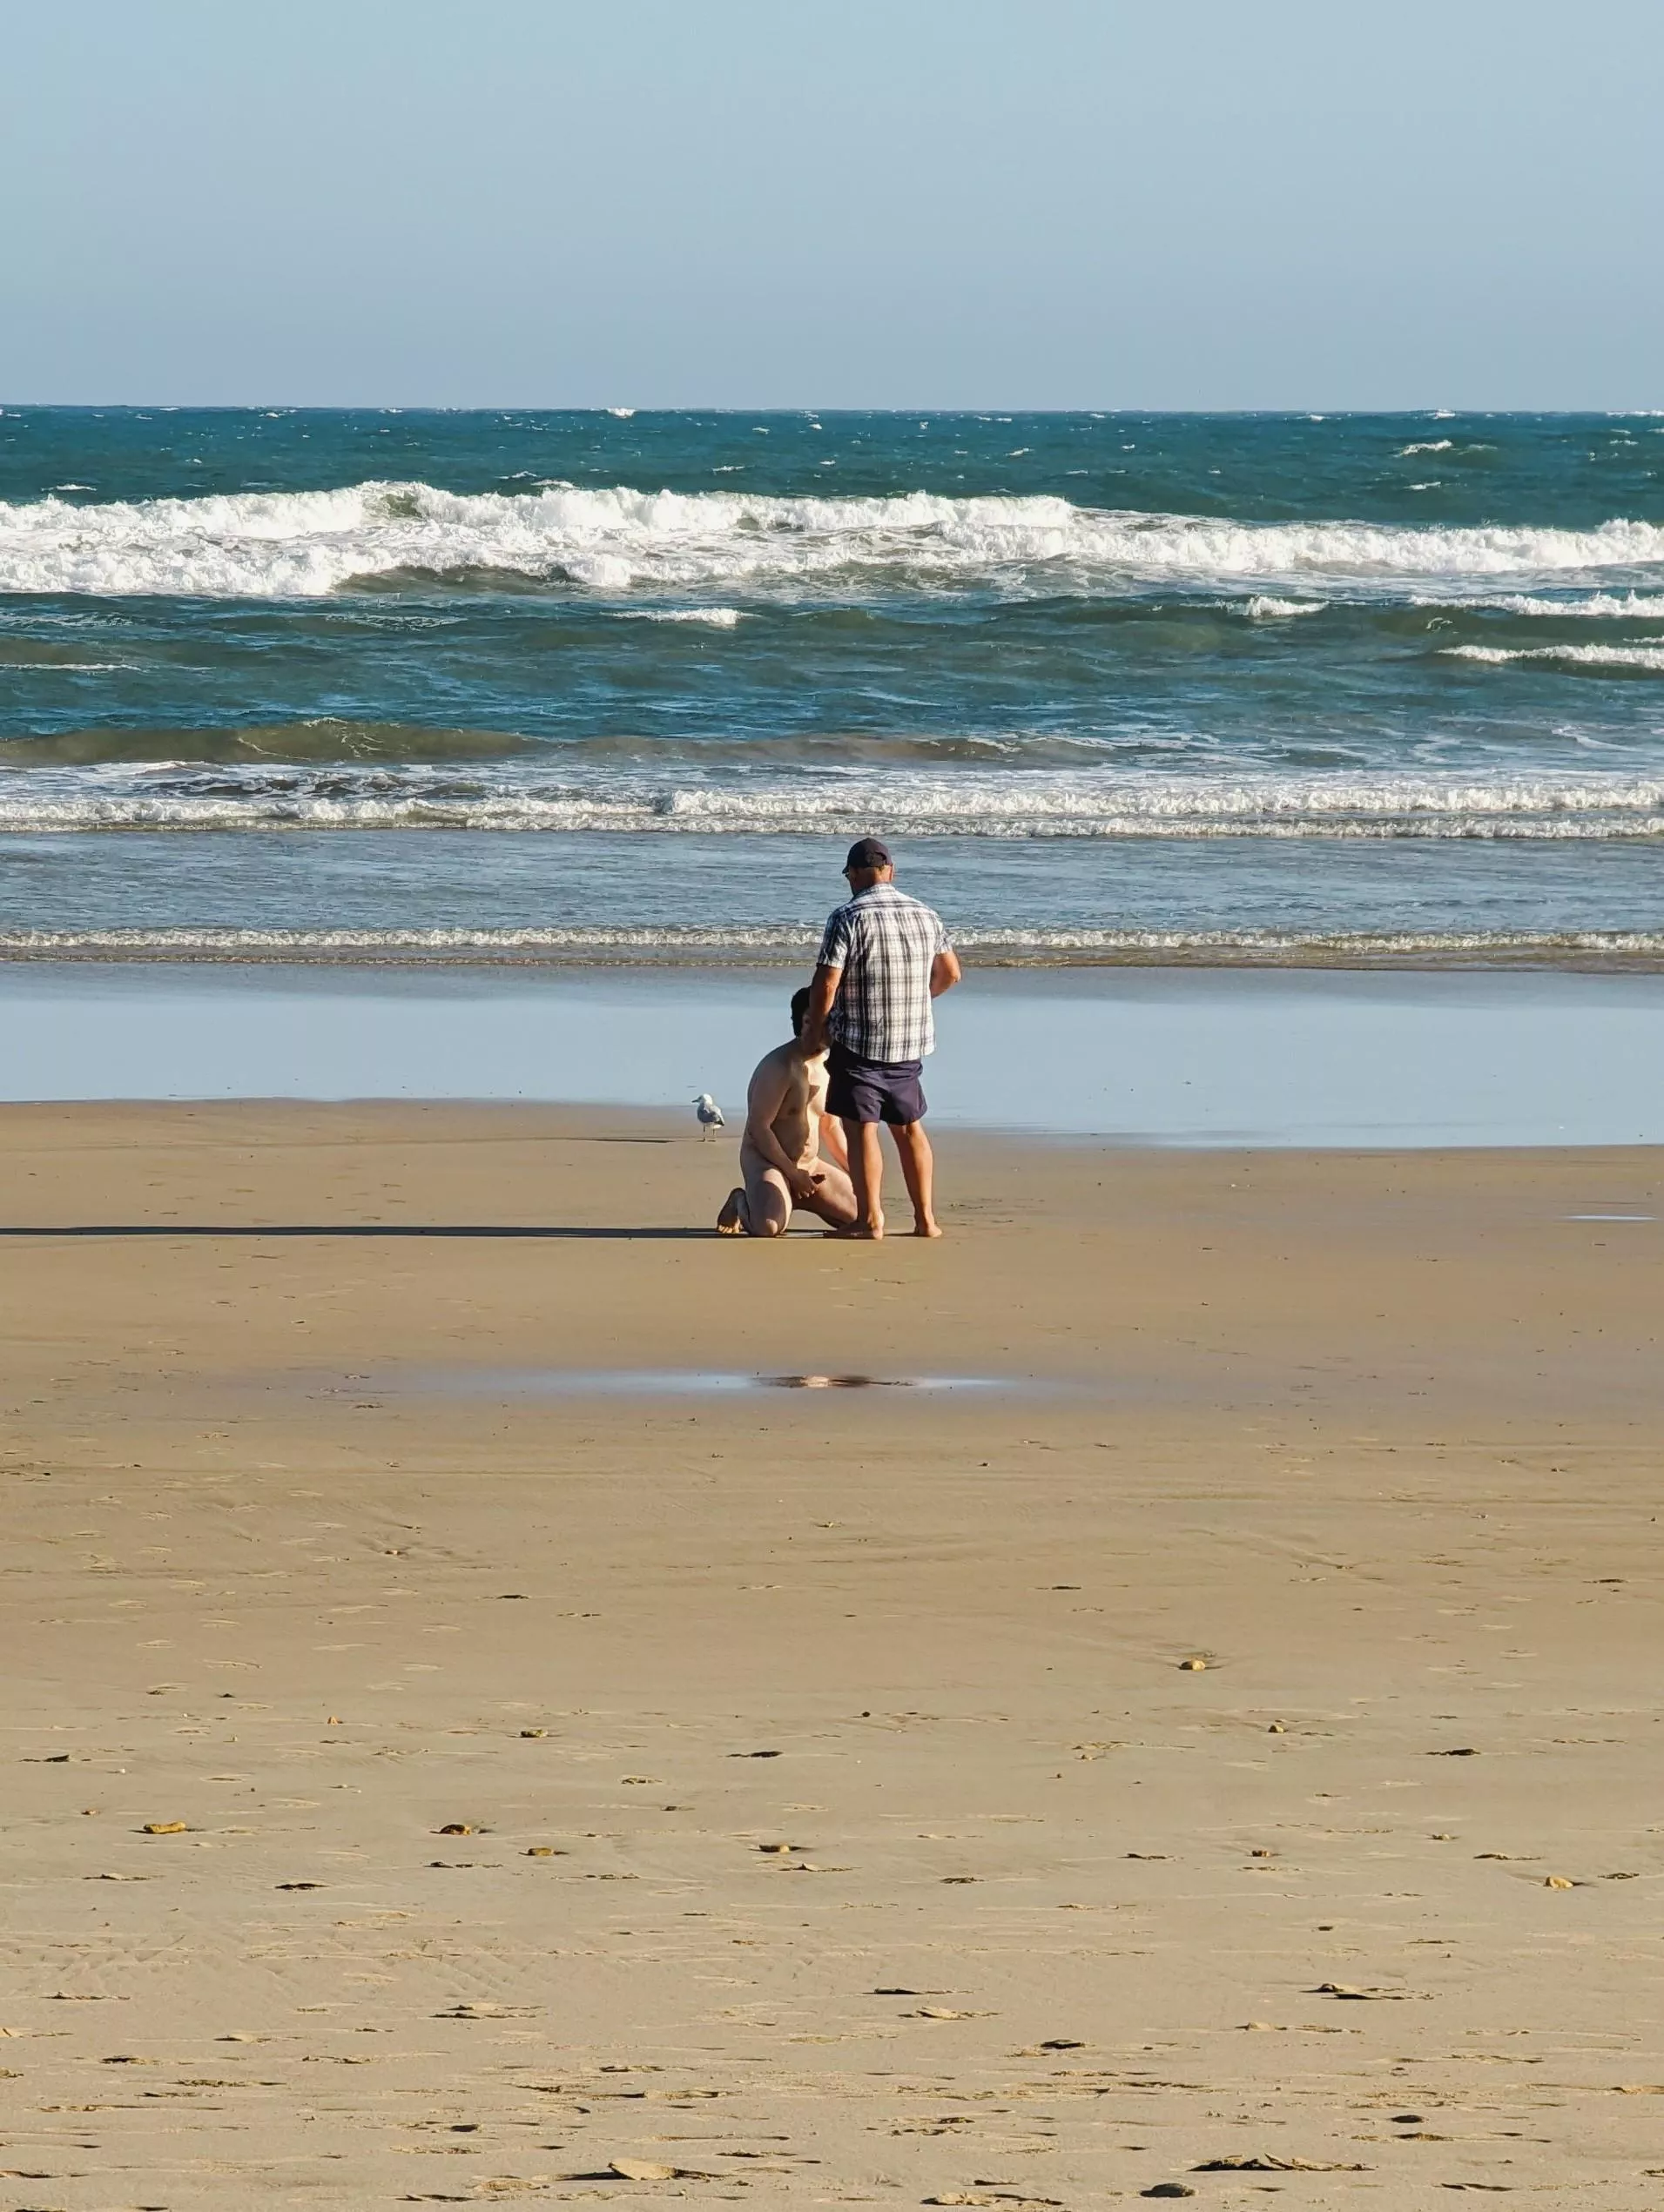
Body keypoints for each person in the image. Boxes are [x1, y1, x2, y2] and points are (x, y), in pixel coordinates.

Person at [801, 837, 960, 1240]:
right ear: (891, 871)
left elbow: (827, 982)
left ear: (854, 874)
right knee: (909, 1128)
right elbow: (950, 973)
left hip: (859, 1039)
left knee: (861, 1129)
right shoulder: (925, 913)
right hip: (909, 1041)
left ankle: (870, 1219)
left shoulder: (848, 916)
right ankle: (926, 1219)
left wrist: (816, 1029)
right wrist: (919, 999)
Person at [716, 986, 859, 1238]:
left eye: (828, 1022)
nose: (822, 1030)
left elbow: (831, 1127)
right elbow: (759, 1128)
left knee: (863, 1217)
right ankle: (741, 1200)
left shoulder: (830, 1068)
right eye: (812, 1022)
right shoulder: (779, 1066)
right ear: (801, 1023)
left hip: (809, 1165)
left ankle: (796, 1199)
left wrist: (857, 1170)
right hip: (767, 1162)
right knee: (768, 1227)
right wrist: (792, 1174)